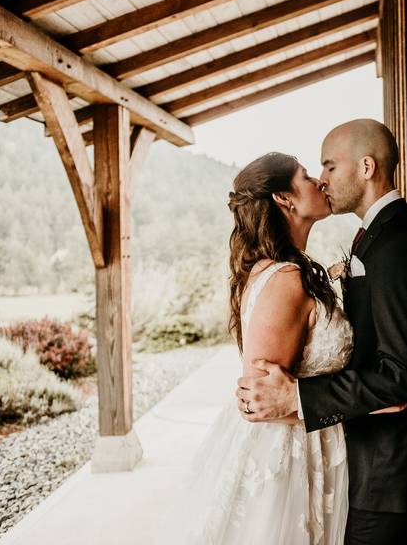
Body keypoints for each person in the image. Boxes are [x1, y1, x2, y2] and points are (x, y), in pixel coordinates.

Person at [161, 151, 393, 544]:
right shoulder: (285, 279)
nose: (320, 181)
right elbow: (262, 403)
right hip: (287, 458)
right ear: (284, 199)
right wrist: (368, 405)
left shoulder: (288, 269)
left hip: (314, 441)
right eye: (306, 176)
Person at [238, 120, 407, 545]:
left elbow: (401, 376)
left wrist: (297, 396)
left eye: (329, 167)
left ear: (366, 167)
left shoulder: (396, 246)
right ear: (283, 199)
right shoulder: (370, 241)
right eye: (313, 171)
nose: (322, 179)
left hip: (386, 471)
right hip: (350, 462)